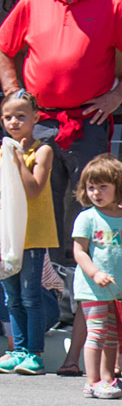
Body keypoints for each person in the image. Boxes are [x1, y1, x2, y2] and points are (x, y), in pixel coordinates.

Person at [0, 0, 122, 251]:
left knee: (89, 205)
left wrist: (118, 94)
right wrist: (14, 96)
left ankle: (83, 284)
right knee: (38, 206)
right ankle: (45, 285)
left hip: (88, 122)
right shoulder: (34, 0)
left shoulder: (111, 3)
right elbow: (4, 46)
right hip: (38, 123)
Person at [68, 157, 122, 399]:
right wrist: (95, 273)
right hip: (93, 289)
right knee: (97, 332)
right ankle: (92, 381)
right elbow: (79, 251)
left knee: (113, 335)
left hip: (119, 289)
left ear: (118, 187)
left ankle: (109, 378)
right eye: (91, 187)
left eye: (103, 187)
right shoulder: (87, 218)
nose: (96, 193)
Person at [0, 89, 54, 374]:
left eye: (21, 116)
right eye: (8, 117)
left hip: (32, 235)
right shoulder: (3, 151)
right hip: (7, 237)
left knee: (30, 295)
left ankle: (34, 353)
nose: (14, 122)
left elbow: (34, 189)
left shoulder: (42, 150)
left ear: (35, 118)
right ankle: (18, 349)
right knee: (11, 297)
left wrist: (19, 160)